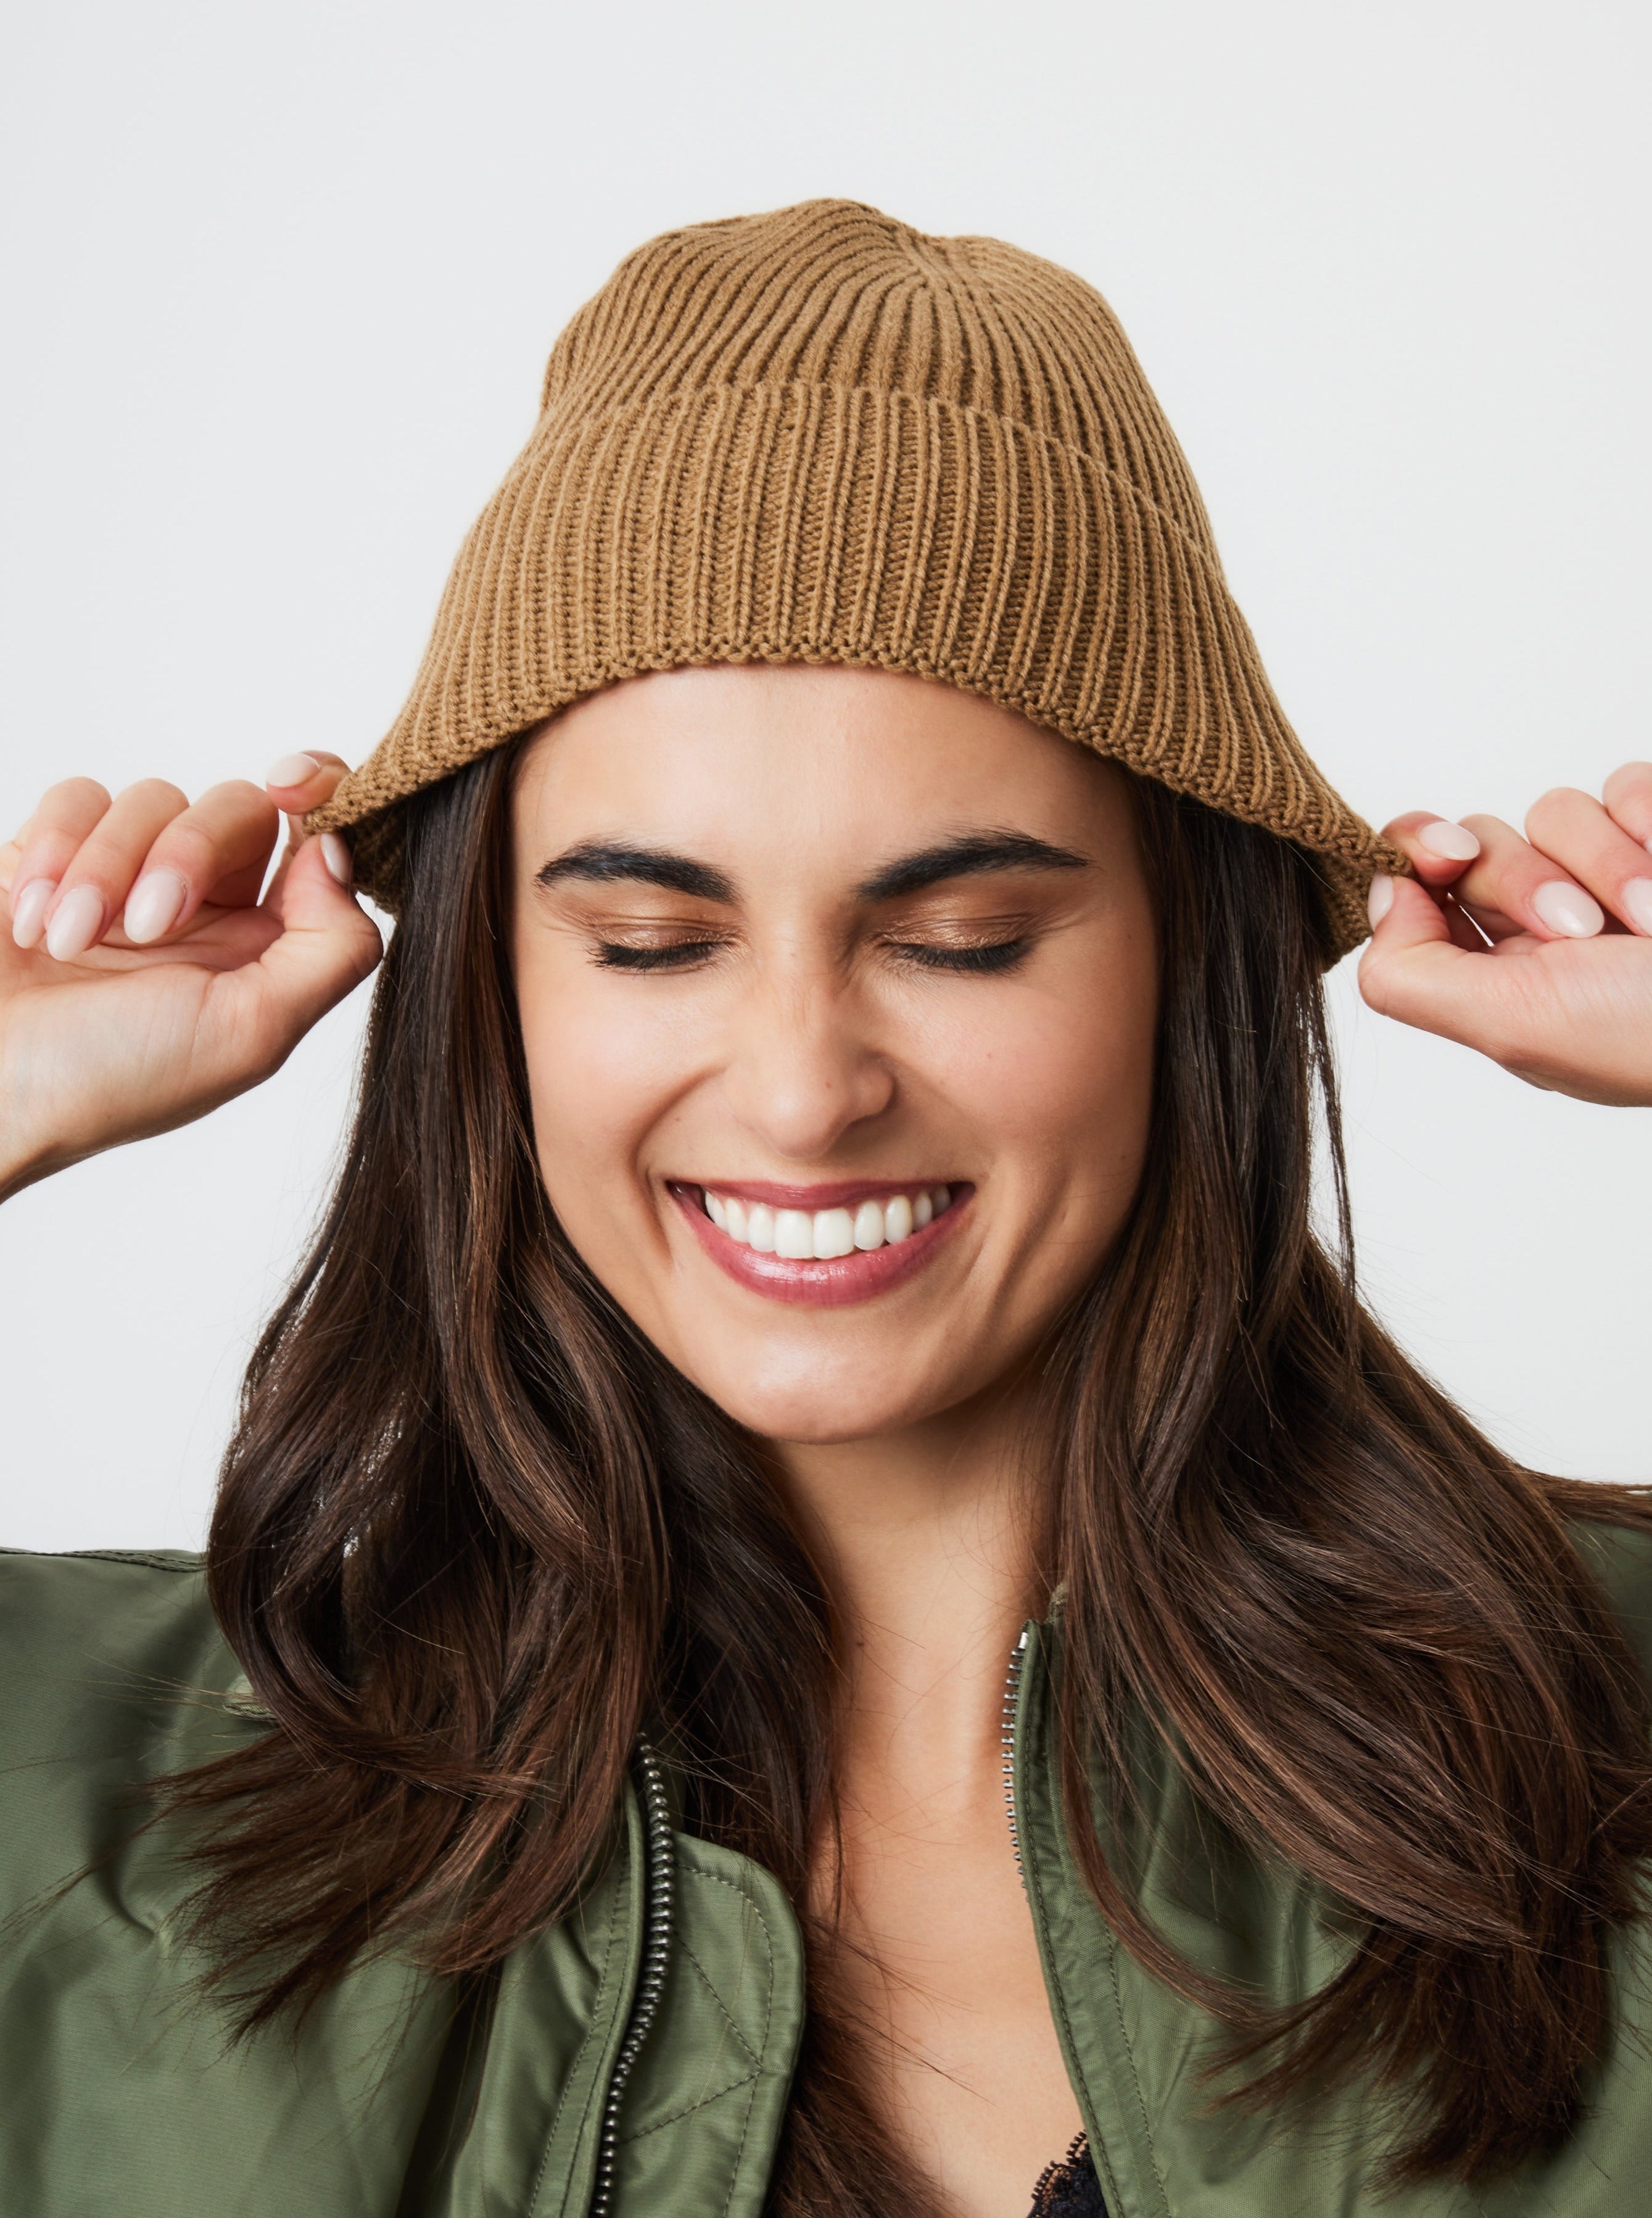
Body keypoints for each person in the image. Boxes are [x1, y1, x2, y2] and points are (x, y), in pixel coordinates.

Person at [2, 198, 1650, 2218]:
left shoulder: (1614, 1762)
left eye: (959, 937)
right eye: (648, 938)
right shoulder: (95, 1814)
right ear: (493, 994)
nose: (800, 1088)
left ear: (1179, 962)